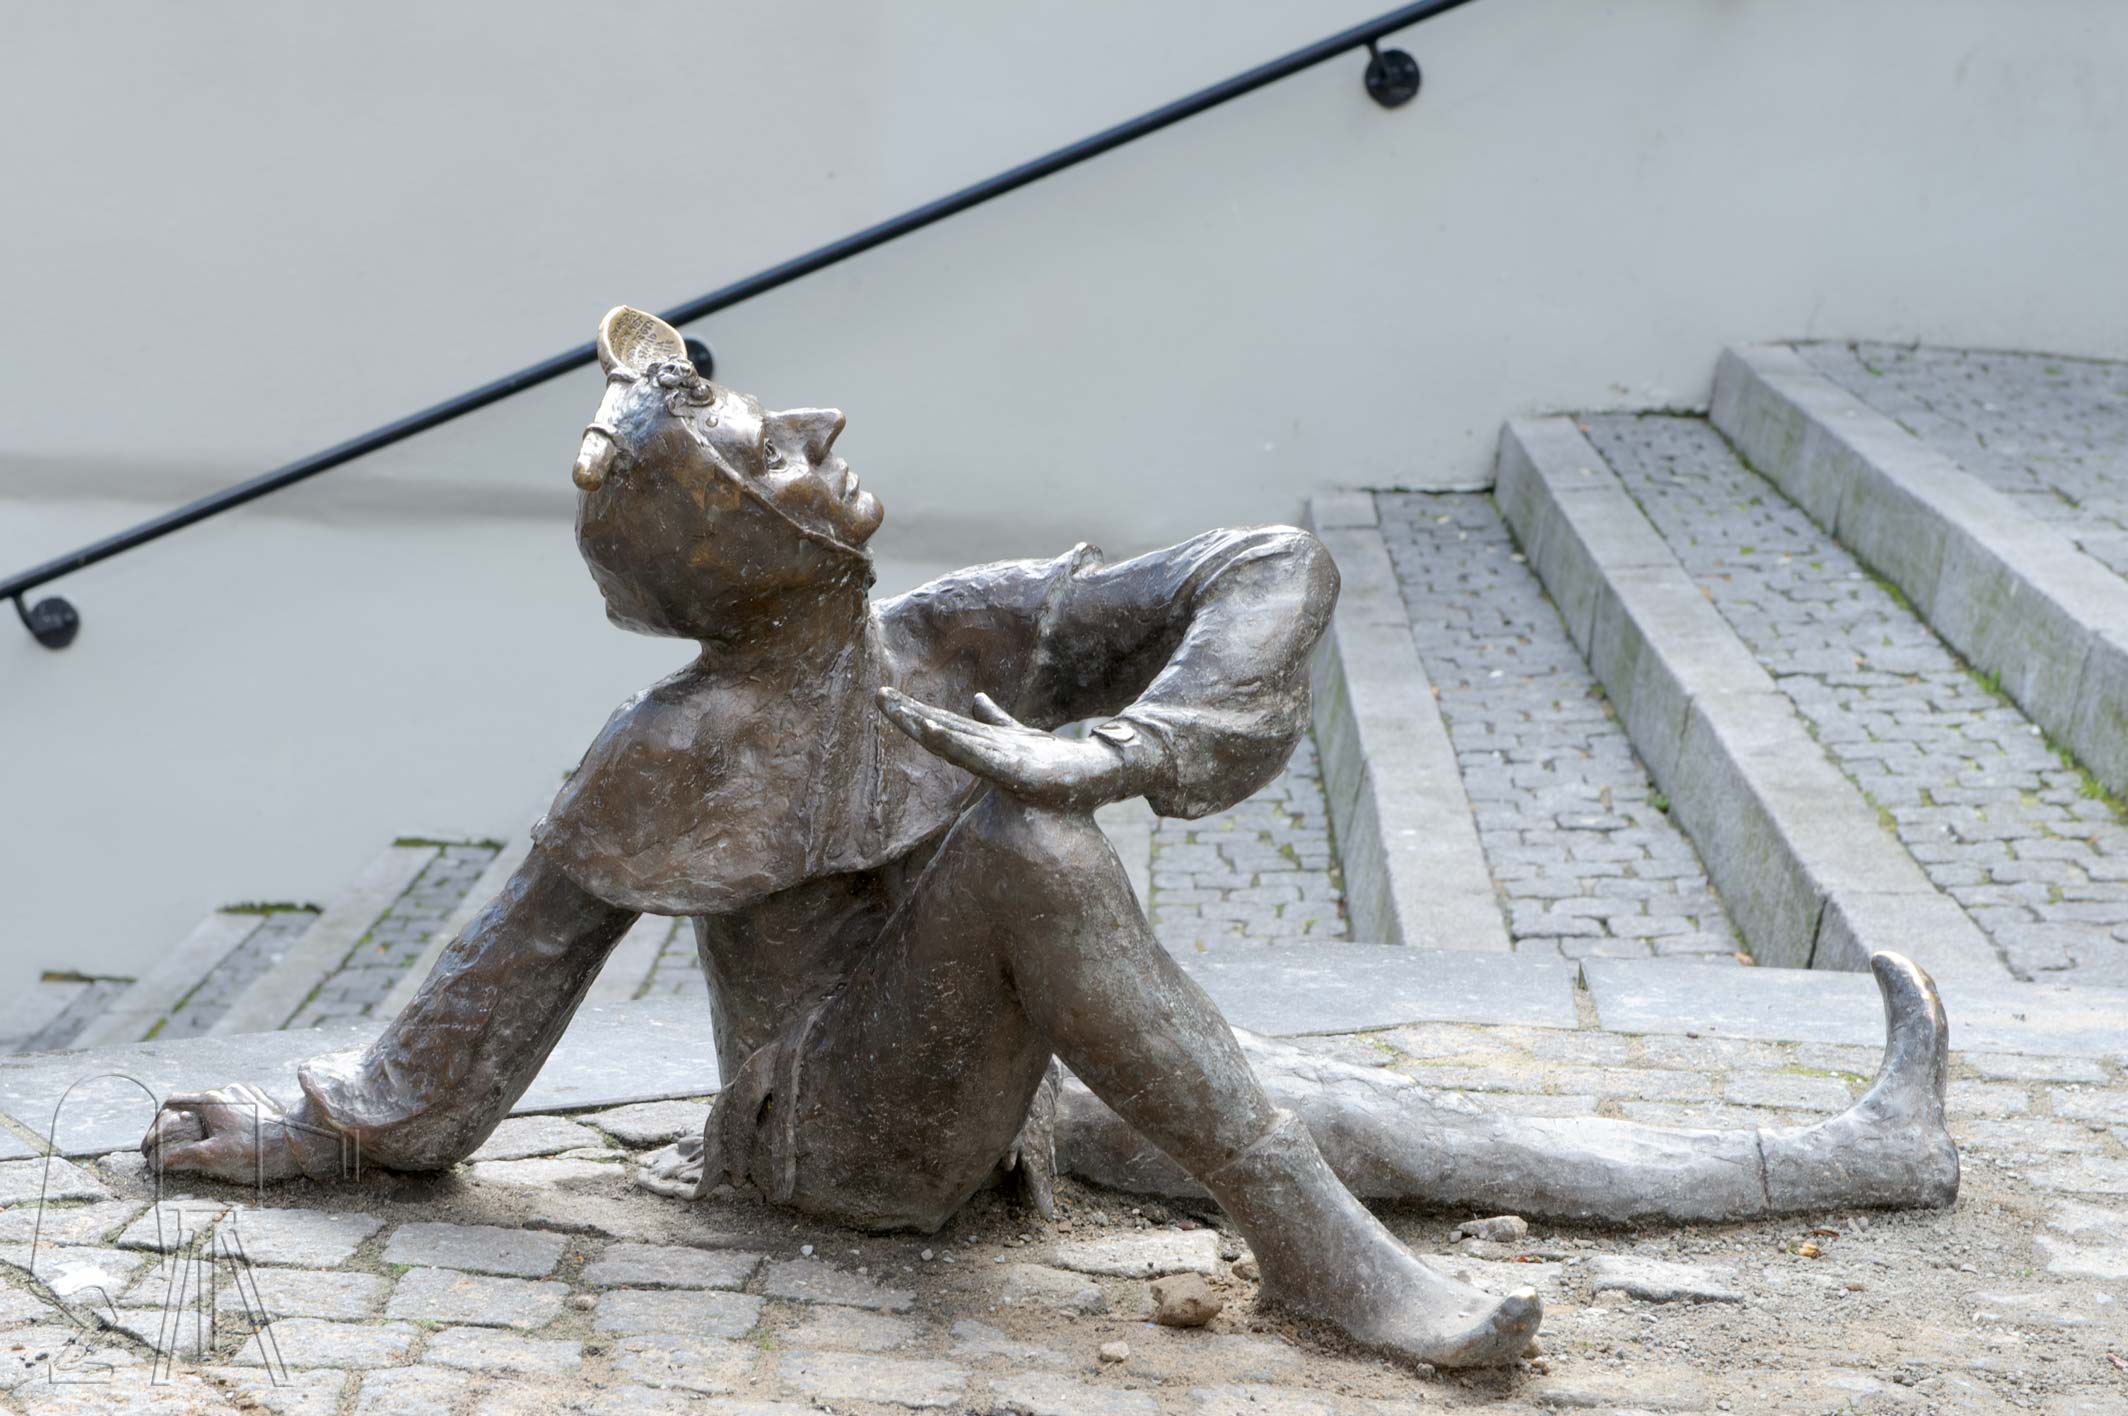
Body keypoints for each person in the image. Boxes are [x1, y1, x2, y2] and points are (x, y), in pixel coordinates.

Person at [144, 308, 1957, 1370]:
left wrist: (1131, 744)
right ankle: (1323, 1263)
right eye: (777, 452)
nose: (824, 431)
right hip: (837, 1153)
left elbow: (1266, 565)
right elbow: (480, 1017)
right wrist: (321, 1127)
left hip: (1004, 1102)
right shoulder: (672, 754)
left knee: (1362, 1115)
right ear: (741, 545)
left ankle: (1844, 1155)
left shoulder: (944, 635)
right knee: (1029, 849)